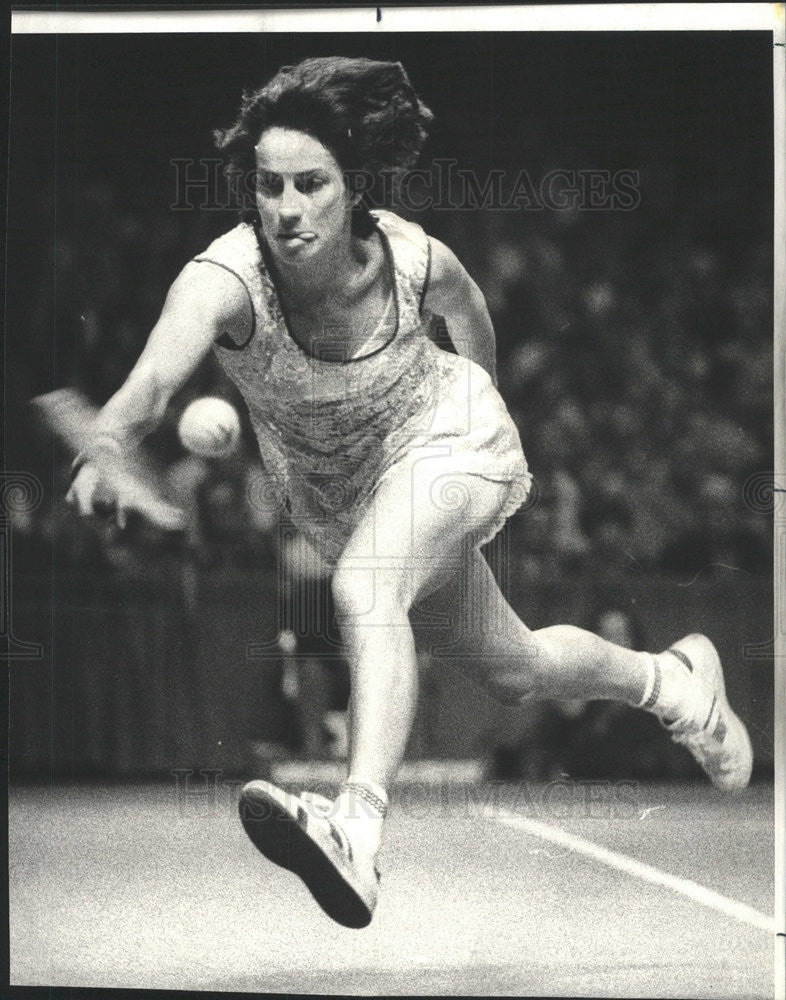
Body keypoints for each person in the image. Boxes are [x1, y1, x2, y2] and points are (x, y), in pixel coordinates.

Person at [66, 56, 752, 929]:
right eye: (269, 185)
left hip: (448, 440)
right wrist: (111, 441)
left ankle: (356, 826)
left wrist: (481, 423)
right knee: (516, 670)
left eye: (311, 184)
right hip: (350, 499)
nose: (286, 207)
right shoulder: (224, 280)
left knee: (366, 585)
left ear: (354, 186)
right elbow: (157, 377)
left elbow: (472, 322)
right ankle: (677, 683)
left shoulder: (414, 258)